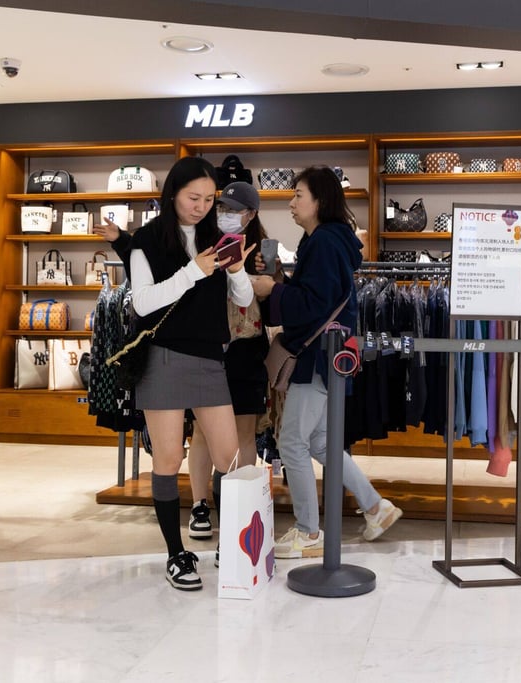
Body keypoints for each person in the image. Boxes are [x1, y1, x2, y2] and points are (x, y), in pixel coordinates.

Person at [251, 166, 401, 559]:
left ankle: (308, 532)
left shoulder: (322, 243)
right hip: (329, 356)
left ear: (320, 200)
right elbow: (318, 296)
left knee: (292, 443)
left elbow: (312, 305)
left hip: (316, 357)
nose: (291, 203)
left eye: (298, 195)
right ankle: (375, 507)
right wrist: (279, 282)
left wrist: (272, 290)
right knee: (319, 441)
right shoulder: (329, 241)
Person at [123, 156, 255, 590]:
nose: (201, 207)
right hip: (163, 355)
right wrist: (192, 271)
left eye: (209, 199)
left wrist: (236, 271)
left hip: (210, 357)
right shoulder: (146, 240)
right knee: (167, 459)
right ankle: (175, 553)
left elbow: (242, 300)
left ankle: (230, 542)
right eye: (193, 198)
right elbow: (143, 302)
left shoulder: (219, 236)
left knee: (229, 458)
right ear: (173, 194)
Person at [182, 182, 269, 556]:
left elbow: (270, 295)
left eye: (234, 209)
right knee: (202, 430)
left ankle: (239, 507)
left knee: (245, 432)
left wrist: (262, 276)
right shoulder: (201, 241)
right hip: (208, 345)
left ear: (250, 214)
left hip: (247, 346)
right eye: (222, 207)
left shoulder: (263, 250)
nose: (225, 214)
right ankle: (199, 505)